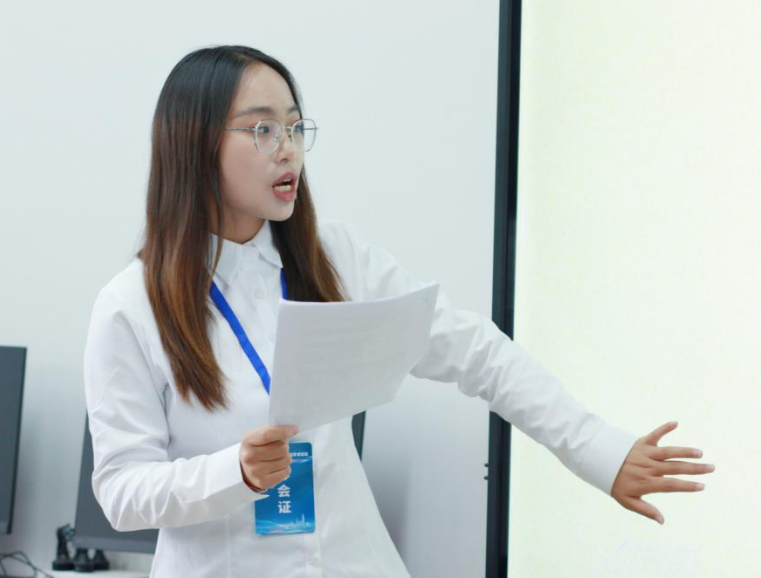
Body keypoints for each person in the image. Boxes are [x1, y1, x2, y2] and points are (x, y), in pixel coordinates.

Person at [83, 45, 715, 578]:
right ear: (194, 144)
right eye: (262, 130)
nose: (288, 149)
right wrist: (234, 473)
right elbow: (121, 491)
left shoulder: (333, 257)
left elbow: (474, 350)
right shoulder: (130, 307)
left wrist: (597, 450)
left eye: (296, 128)